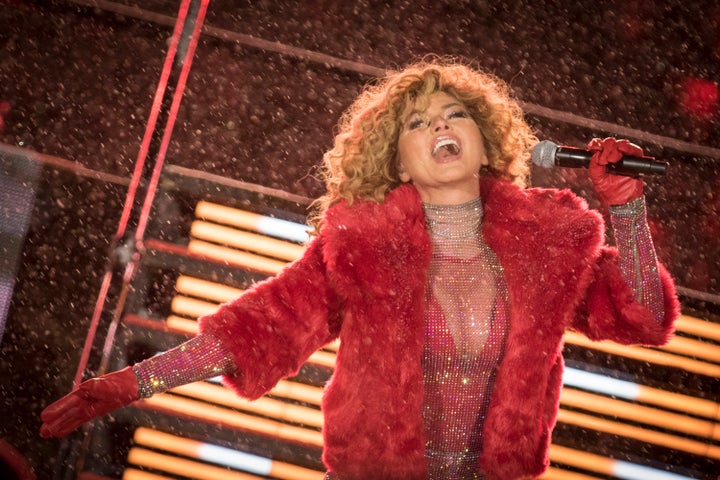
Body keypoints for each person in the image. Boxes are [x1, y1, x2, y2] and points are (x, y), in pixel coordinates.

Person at [40, 57, 679, 480]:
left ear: (486, 140)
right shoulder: (363, 247)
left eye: (455, 114)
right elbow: (255, 331)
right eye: (419, 122)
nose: (441, 127)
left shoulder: (548, 245)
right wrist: (129, 385)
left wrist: (626, 211)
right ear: (398, 160)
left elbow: (645, 317)